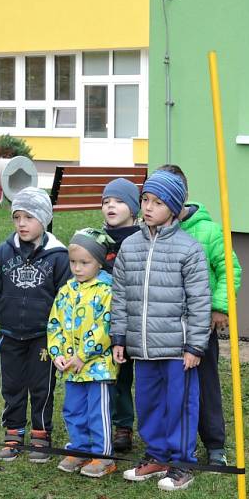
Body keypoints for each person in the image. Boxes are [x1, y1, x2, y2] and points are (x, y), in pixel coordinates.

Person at [111, 169, 211, 491]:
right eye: (145, 200)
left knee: (179, 404)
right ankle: (156, 456)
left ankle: (181, 462)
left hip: (177, 349)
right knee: (149, 403)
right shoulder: (130, 247)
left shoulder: (189, 249)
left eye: (157, 202)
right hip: (143, 347)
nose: (148, 207)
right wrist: (119, 337)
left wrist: (195, 346)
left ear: (174, 207)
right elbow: (120, 295)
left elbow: (199, 301)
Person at [0, 187, 71, 462]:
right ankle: (14, 433)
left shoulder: (59, 256)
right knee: (13, 385)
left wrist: (63, 337)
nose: (21, 223)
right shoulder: (2, 253)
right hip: (10, 334)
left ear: (44, 219)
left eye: (29, 217)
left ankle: (41, 435)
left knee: (42, 388)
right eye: (17, 217)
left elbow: (65, 299)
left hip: (43, 337)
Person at [158, 163, 242, 467]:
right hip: (166, 325)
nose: (155, 206)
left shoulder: (208, 231)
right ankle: (173, 441)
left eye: (163, 199)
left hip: (199, 325)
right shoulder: (155, 232)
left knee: (205, 384)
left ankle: (215, 443)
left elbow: (230, 268)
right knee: (169, 385)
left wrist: (219, 307)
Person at [48, 228, 119, 478]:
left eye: (84, 263)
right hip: (71, 367)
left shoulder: (106, 290)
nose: (77, 268)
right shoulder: (66, 291)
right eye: (73, 262)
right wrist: (57, 352)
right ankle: (79, 448)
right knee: (73, 409)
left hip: (96, 367)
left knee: (96, 411)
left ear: (99, 263)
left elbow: (105, 328)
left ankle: (103, 455)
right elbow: (54, 323)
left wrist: (83, 355)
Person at [100, 177, 142, 452]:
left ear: (134, 209)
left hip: (138, 318)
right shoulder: (98, 241)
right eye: (106, 202)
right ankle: (121, 425)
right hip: (107, 321)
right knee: (117, 375)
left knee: (145, 376)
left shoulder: (141, 239)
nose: (111, 206)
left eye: (119, 201)